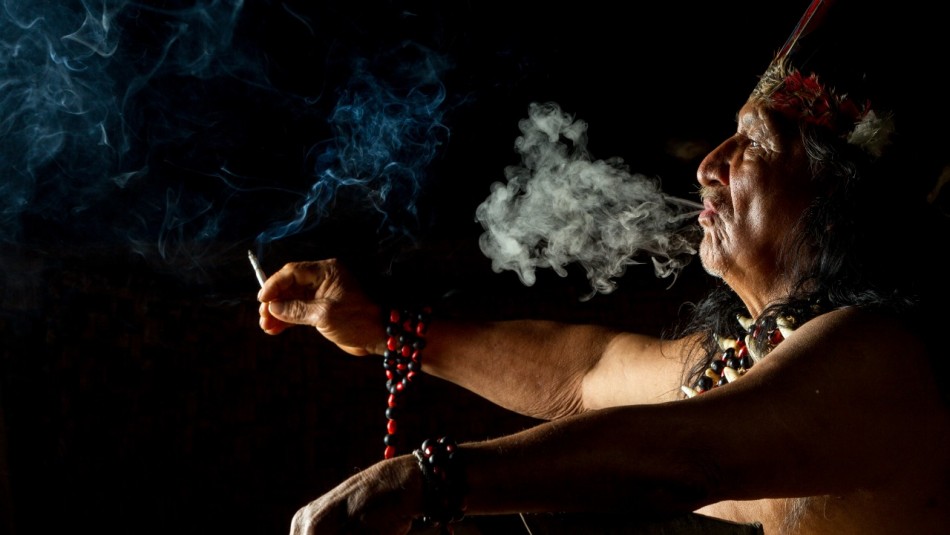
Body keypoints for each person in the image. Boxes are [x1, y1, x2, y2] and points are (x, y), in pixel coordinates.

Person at [257, 1, 950, 533]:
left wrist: (421, 478)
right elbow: (584, 375)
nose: (710, 166)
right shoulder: (746, 361)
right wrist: (386, 327)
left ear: (838, 199)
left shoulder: (878, 359)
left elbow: (683, 456)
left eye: (754, 143)